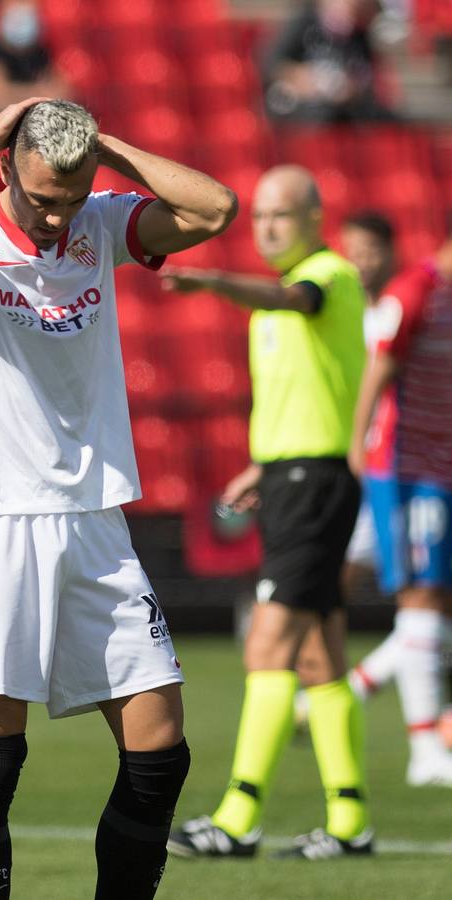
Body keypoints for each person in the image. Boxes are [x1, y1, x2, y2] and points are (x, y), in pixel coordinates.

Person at [0, 97, 237, 899]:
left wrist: (111, 152)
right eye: (42, 197)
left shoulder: (97, 220)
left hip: (93, 519)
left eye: (70, 197)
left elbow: (214, 209)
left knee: (160, 749)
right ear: (6, 167)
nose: (56, 217)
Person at [162, 165, 372, 861]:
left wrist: (215, 281)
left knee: (267, 645)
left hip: (314, 483)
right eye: (259, 217)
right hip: (293, 478)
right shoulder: (277, 307)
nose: (268, 227)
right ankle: (349, 822)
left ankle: (238, 815)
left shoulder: (328, 276)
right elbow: (310, 393)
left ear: (313, 217)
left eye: (281, 214)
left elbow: (296, 299)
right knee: (319, 654)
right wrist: (264, 465)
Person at [348, 223, 452, 787]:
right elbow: (380, 366)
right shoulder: (415, 291)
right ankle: (425, 753)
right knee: (422, 598)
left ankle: (353, 690)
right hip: (409, 468)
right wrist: (359, 443)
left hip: (443, 469)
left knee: (437, 605)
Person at [294, 210, 397, 698]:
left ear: (389, 254)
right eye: (352, 254)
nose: (361, 265)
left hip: (393, 466)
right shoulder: (342, 314)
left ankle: (328, 691)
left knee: (419, 599)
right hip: (350, 467)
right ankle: (321, 686)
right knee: (333, 587)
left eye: (370, 254)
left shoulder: (398, 312)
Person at [263, 0, 396, 122]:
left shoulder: (359, 34)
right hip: (302, 107)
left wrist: (348, 89)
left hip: (344, 109)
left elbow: (366, 80)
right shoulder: (304, 21)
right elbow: (272, 64)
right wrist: (312, 81)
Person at [0, 0, 73, 125]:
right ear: (0, 16)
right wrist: (38, 94)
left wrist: (13, 94)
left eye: (27, 13)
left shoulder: (44, 52)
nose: (20, 21)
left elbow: (62, 93)